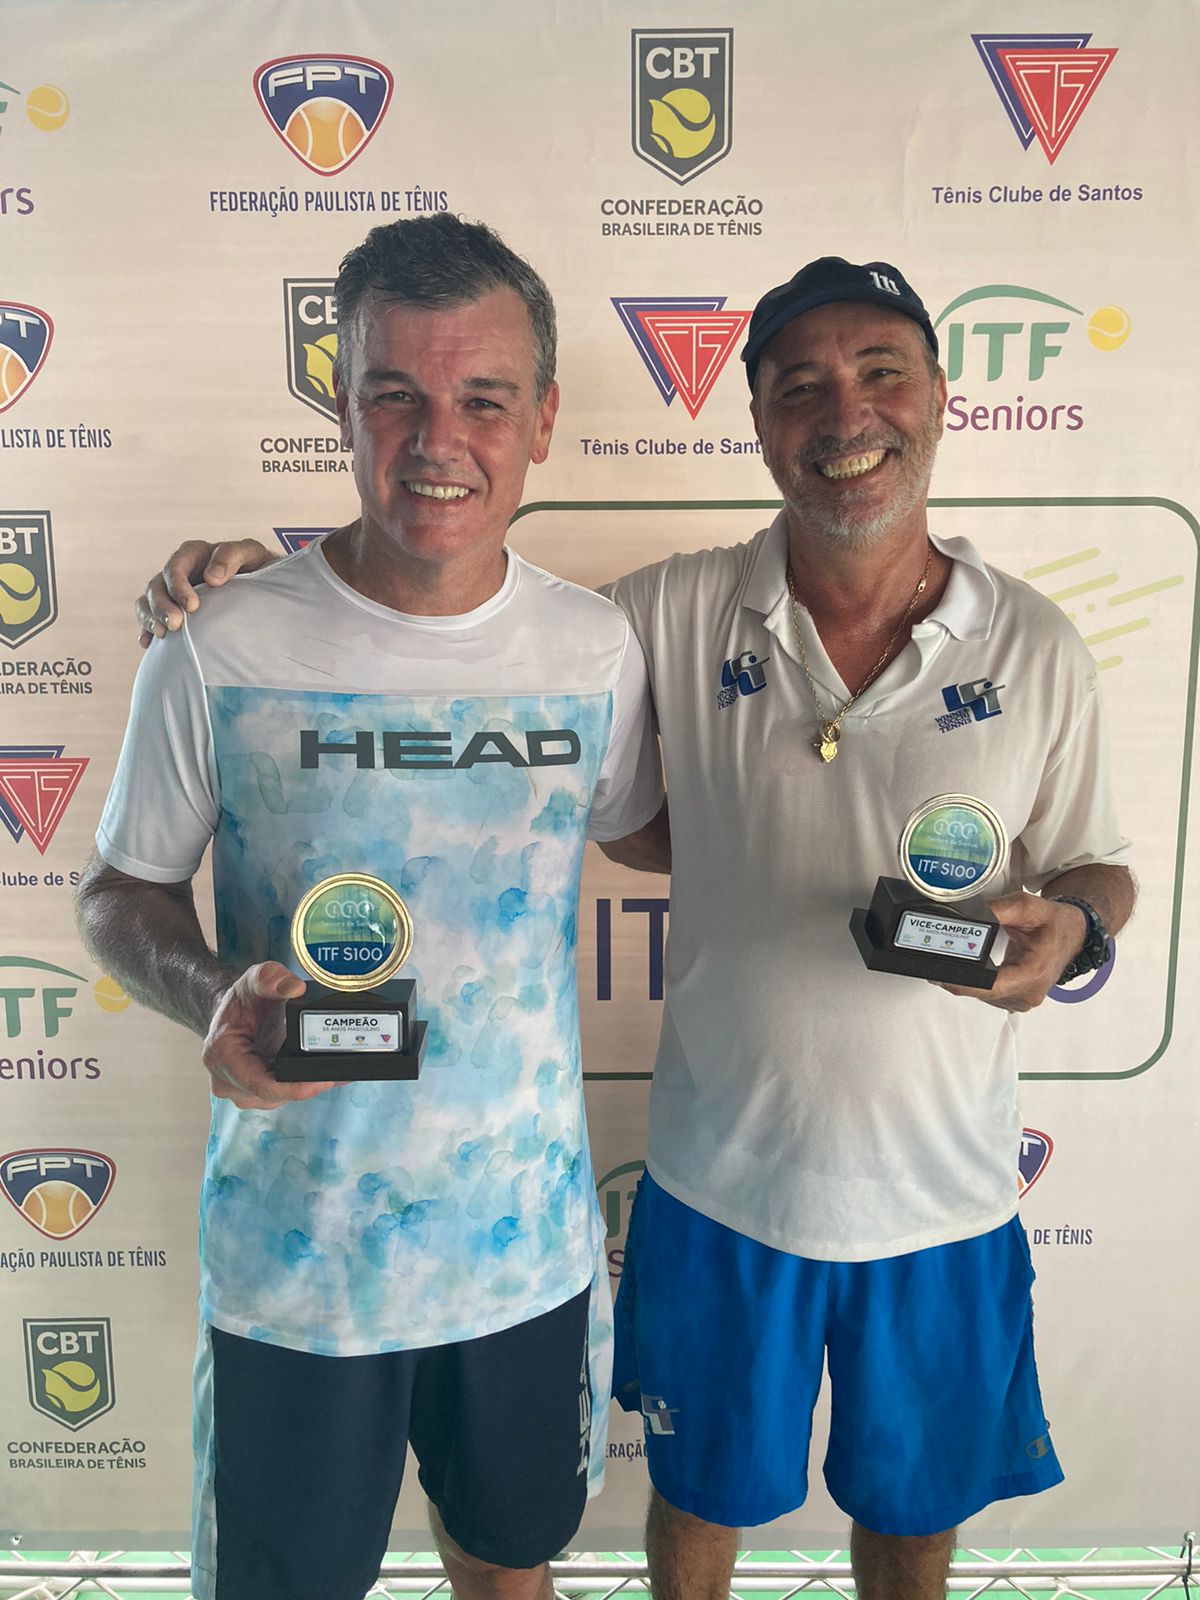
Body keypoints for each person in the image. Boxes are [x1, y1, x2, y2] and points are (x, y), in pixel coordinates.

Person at [135, 256, 1135, 1600]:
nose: (846, 415)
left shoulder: (1036, 644)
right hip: (711, 1197)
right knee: (695, 1516)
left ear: (943, 397)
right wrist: (268, 589)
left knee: (912, 1528)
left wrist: (1075, 929)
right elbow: (433, 614)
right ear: (758, 421)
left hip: (943, 1201)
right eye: (800, 387)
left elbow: (1099, 866)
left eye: (881, 374)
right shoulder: (656, 616)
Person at [78, 213, 664, 1600]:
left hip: (522, 1260)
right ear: (340, 405)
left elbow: (671, 838)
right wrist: (210, 993)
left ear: (543, 421)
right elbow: (118, 894)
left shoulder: (595, 651)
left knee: (509, 1572)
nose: (436, 440)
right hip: (300, 1269)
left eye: (484, 399)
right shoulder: (220, 644)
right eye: (394, 394)